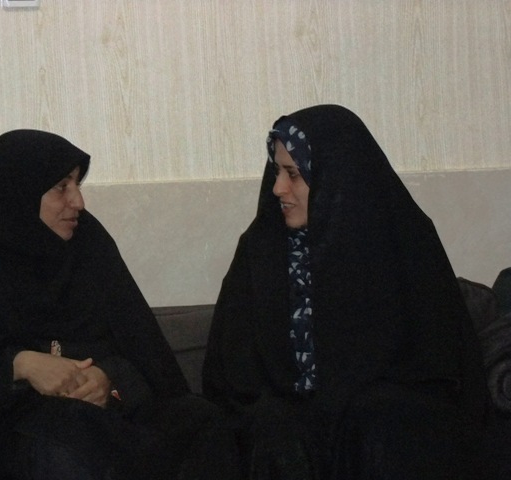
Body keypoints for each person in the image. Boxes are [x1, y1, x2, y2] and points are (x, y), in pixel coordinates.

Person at [0, 130, 237, 480]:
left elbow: (141, 346)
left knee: (200, 420)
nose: (78, 201)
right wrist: (20, 363)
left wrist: (108, 379)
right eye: (61, 187)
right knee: (63, 443)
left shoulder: (88, 242)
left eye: (77, 184)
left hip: (108, 412)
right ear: (20, 191)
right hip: (14, 416)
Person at [202, 105, 488, 480]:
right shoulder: (261, 251)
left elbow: (443, 371)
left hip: (382, 430)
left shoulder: (404, 244)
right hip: (287, 433)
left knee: (384, 418)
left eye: (293, 174)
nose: (278, 188)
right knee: (275, 428)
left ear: (337, 179)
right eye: (276, 172)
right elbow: (229, 379)